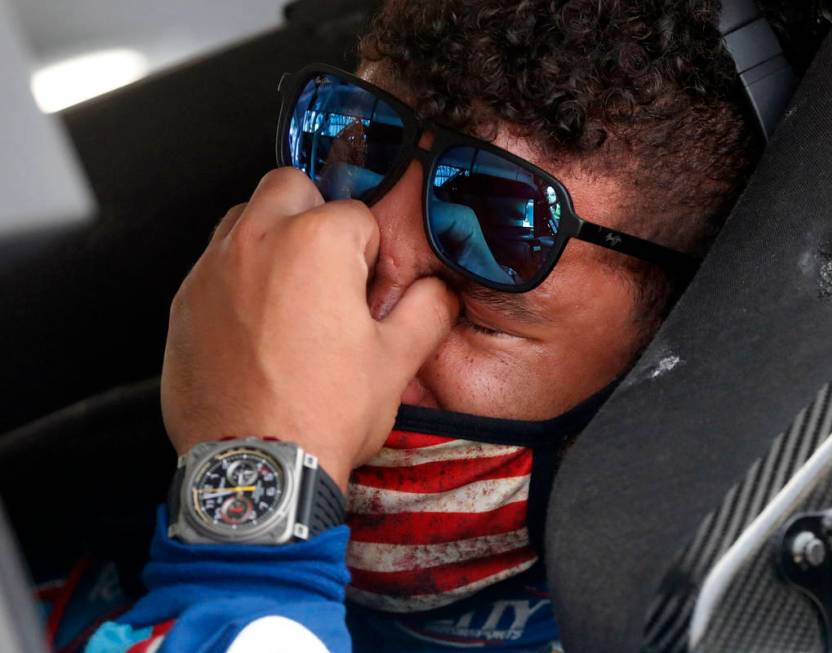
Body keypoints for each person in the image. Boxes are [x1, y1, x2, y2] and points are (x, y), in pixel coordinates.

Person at [82, 0, 759, 650]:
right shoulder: (87, 491)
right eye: (351, 251)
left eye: (469, 312)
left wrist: (250, 518)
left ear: (664, 359)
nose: (343, 336)